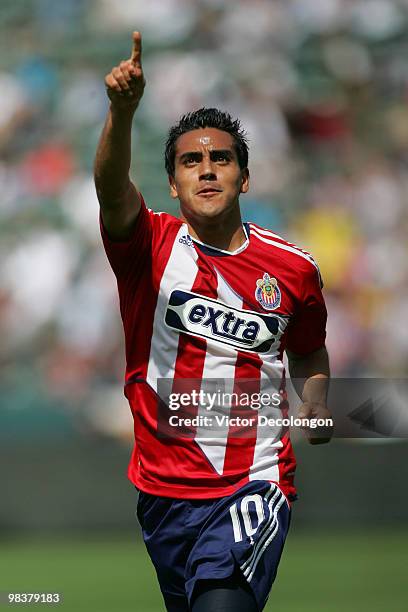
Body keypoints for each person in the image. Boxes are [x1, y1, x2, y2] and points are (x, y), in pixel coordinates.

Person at [94, 31, 333, 612]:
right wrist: (122, 112)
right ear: (172, 183)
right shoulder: (147, 245)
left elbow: (308, 353)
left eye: (221, 159)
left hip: (255, 480)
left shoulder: (294, 269)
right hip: (162, 492)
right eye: (190, 161)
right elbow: (109, 188)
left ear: (244, 178)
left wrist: (319, 401)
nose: (206, 170)